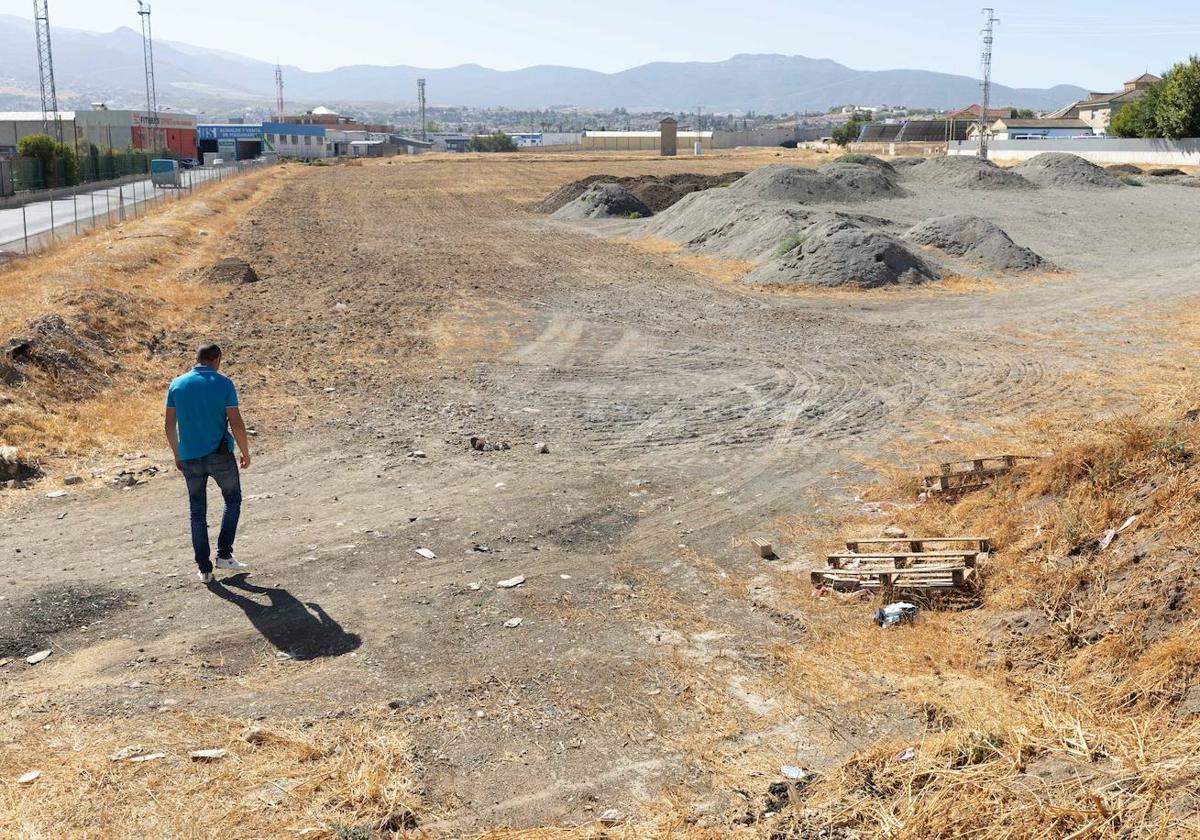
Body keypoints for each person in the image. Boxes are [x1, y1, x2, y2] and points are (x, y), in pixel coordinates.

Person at [164, 343, 251, 583]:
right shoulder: (223, 383)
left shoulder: (177, 384)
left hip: (190, 457)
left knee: (197, 512)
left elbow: (169, 425)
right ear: (217, 359)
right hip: (220, 455)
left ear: (197, 358)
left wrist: (177, 453)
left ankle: (204, 569)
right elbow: (236, 422)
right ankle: (224, 554)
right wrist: (245, 451)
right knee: (232, 500)